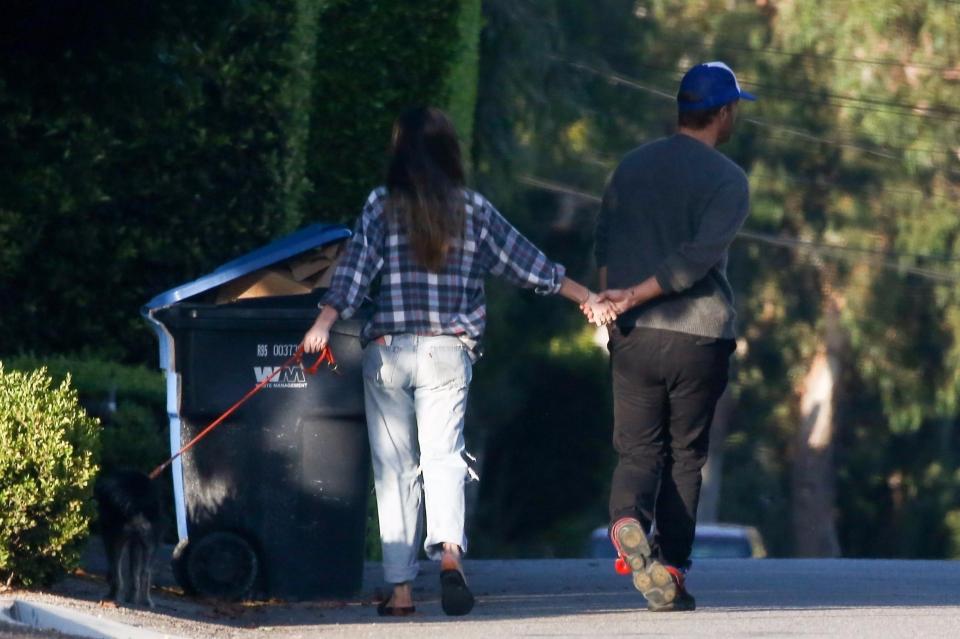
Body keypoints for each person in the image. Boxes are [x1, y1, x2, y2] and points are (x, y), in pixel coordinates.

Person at [304, 106, 612, 617]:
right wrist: (587, 297)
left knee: (395, 469)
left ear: (399, 153)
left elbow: (354, 274)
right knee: (444, 456)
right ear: (451, 152)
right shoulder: (474, 209)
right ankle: (450, 555)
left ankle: (400, 591)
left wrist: (323, 321)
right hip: (448, 351)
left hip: (389, 352)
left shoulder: (382, 205)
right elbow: (528, 264)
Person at [584, 62, 755, 612]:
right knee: (684, 456)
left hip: (634, 336)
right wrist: (633, 296)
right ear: (723, 113)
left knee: (636, 449)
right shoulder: (729, 179)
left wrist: (615, 305)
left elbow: (604, 240)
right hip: (699, 336)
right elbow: (697, 260)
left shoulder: (631, 167)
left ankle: (629, 519)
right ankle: (673, 570)